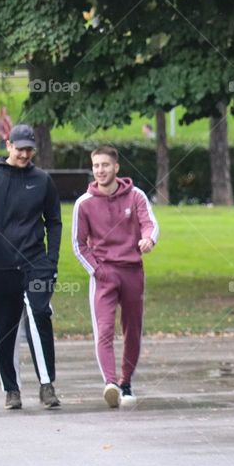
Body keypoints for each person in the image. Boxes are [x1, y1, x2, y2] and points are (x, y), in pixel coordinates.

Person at [0, 124, 62, 409]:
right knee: (5, 330)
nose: (25, 154)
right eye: (20, 148)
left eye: (29, 149)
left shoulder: (42, 180)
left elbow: (54, 221)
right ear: (8, 146)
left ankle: (47, 385)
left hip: (36, 264)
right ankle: (12, 389)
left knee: (39, 313)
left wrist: (51, 261)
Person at [73, 146, 159, 408]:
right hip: (104, 274)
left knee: (133, 330)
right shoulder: (83, 203)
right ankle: (110, 383)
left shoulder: (136, 196)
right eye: (96, 166)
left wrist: (148, 240)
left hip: (133, 271)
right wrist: (98, 271)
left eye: (105, 165)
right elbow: (78, 245)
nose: (100, 170)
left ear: (116, 168)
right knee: (104, 330)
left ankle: (126, 383)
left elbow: (150, 224)